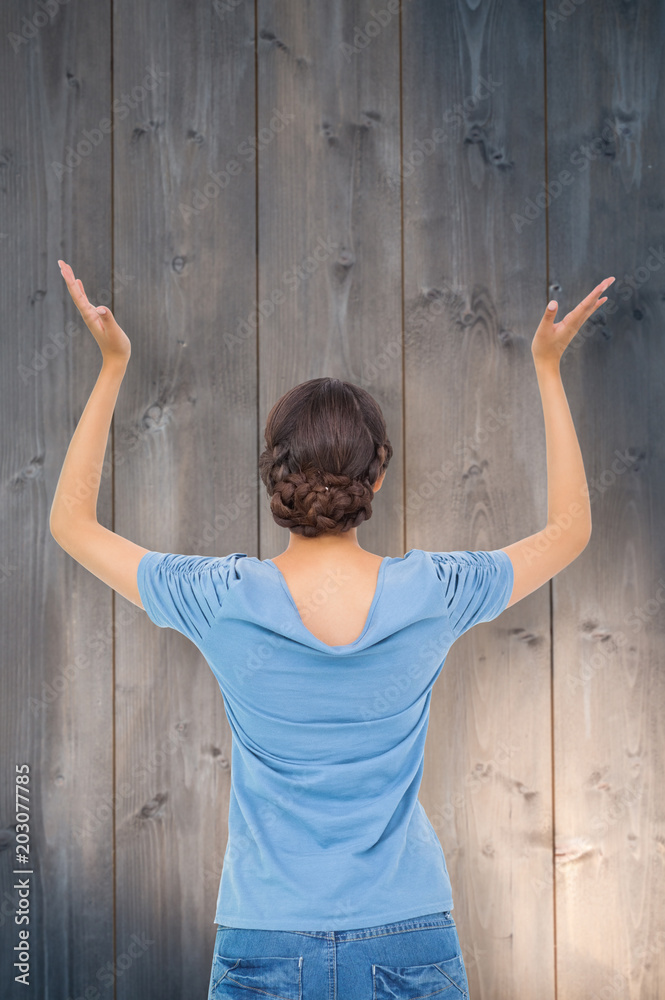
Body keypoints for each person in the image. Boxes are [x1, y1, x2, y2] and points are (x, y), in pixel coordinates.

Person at [50, 259, 614, 999]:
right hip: (408, 932)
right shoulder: (434, 591)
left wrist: (113, 364)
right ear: (376, 478)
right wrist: (546, 367)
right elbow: (569, 532)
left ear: (273, 476)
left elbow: (70, 523)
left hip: (264, 936)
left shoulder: (219, 597)